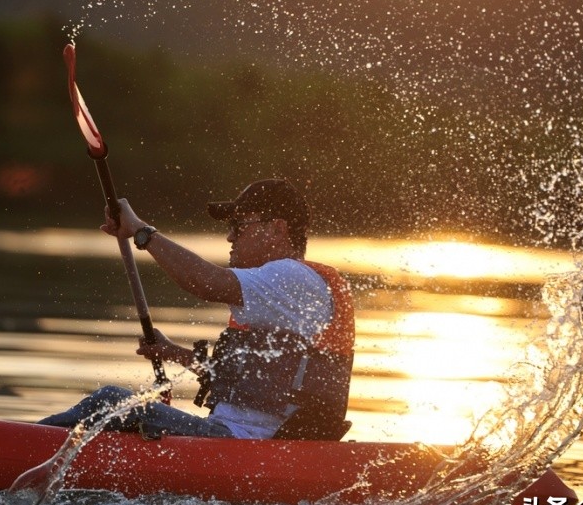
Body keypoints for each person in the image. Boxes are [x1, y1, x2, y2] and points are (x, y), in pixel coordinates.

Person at [38, 179, 355, 440]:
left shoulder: (294, 277)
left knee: (113, 400)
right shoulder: (278, 292)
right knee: (118, 415)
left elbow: (206, 282)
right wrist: (173, 352)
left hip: (249, 449)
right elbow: (245, 383)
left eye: (239, 226)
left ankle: (20, 442)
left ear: (277, 229)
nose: (230, 236)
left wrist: (141, 231)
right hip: (244, 444)